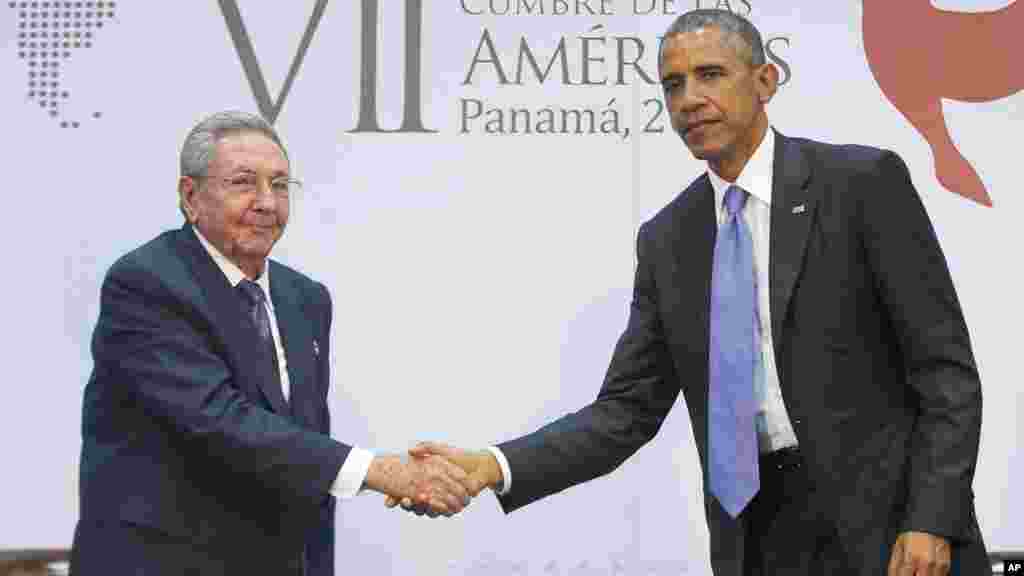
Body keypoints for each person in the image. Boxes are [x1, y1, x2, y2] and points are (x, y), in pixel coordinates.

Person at [391, 9, 990, 576]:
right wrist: (491, 466)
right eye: (673, 85)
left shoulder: (861, 184)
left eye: (710, 75)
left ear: (765, 80)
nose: (689, 100)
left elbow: (946, 375)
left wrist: (930, 519)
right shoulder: (669, 239)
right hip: (757, 540)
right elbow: (624, 412)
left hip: (891, 530)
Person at [70, 111, 481, 576]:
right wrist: (379, 471)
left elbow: (303, 444)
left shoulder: (304, 298)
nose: (267, 202)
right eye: (245, 182)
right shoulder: (147, 283)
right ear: (190, 196)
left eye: (281, 185)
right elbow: (217, 420)